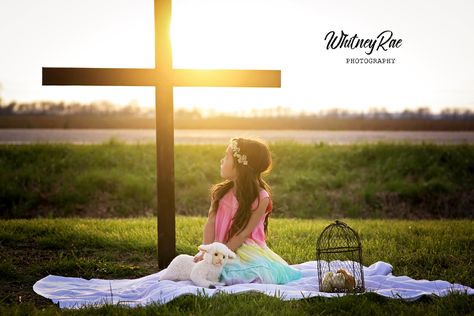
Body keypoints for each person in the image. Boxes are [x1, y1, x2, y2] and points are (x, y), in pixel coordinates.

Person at [193, 137, 302, 285]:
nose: (222, 160)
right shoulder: (220, 193)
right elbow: (211, 223)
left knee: (237, 273)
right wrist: (206, 251)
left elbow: (243, 234)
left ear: (240, 166)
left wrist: (223, 255)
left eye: (226, 156)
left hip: (244, 249)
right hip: (218, 248)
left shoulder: (261, 198)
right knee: (204, 268)